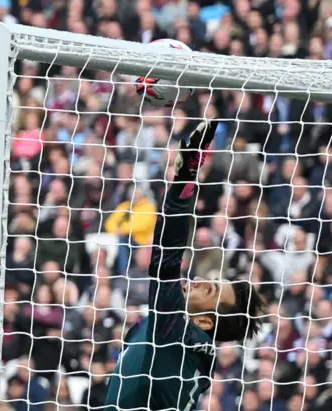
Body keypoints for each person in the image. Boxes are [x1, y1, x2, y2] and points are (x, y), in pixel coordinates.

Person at [104, 120, 265, 410]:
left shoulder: (177, 333)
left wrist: (184, 182)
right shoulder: (176, 340)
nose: (201, 281)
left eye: (211, 290)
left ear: (205, 322)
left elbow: (166, 256)